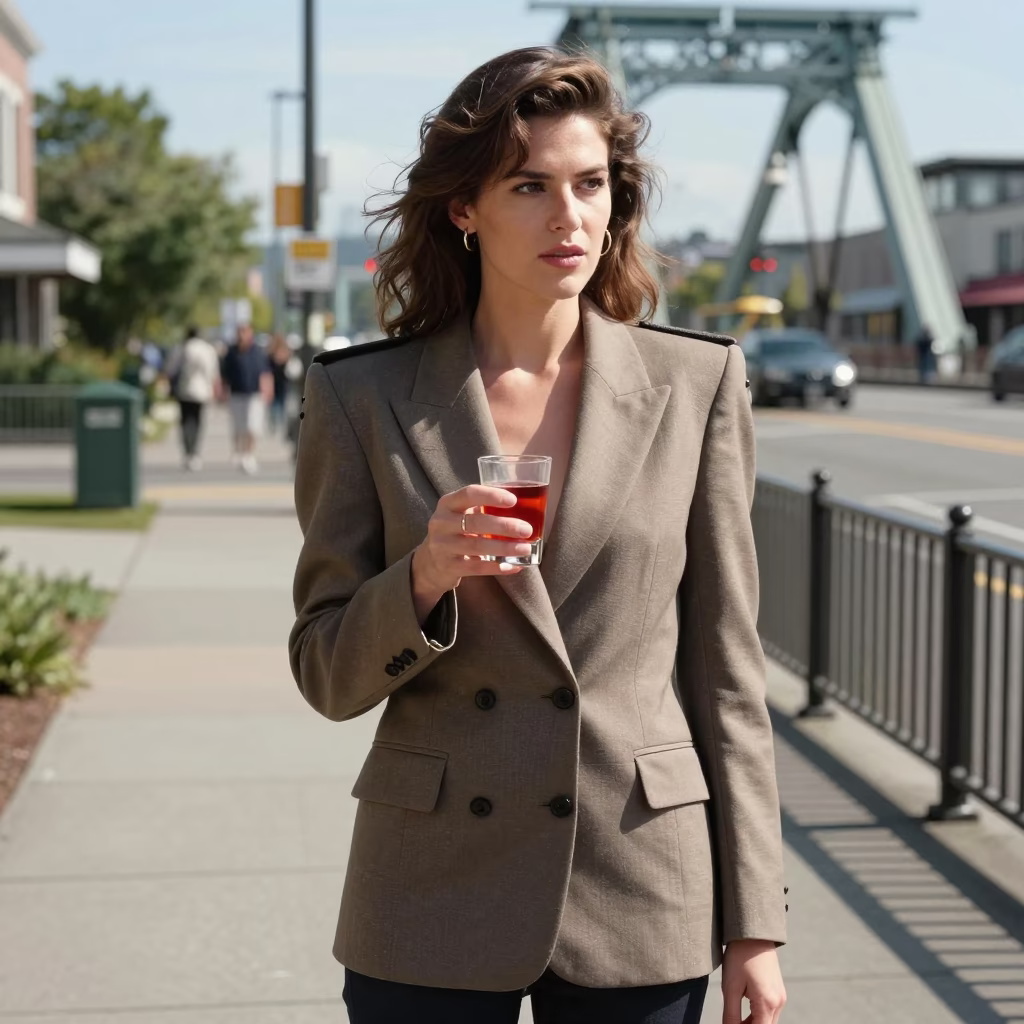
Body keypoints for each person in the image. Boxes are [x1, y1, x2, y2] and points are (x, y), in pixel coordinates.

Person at [289, 47, 788, 1024]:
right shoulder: (362, 397)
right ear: (464, 210)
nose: (570, 216)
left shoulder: (695, 386)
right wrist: (424, 575)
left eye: (590, 183)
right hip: (430, 882)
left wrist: (755, 922)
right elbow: (324, 669)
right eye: (530, 185)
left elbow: (727, 676)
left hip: (636, 875)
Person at [164, 325, 221, 471]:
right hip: (201, 390)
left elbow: (170, 369)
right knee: (197, 421)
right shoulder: (207, 349)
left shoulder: (181, 348)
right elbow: (212, 371)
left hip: (184, 389)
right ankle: (195, 452)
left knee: (185, 421)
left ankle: (187, 451)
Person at [220, 323, 272, 474]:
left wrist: (268, 389)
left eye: (245, 332)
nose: (242, 335)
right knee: (238, 426)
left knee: (252, 426)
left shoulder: (257, 352)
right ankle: (238, 451)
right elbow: (225, 374)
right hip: (236, 393)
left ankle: (249, 454)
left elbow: (265, 372)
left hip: (254, 394)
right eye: (239, 332)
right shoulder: (231, 352)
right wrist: (222, 390)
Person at [266, 332, 291, 436]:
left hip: (278, 383)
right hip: (278, 383)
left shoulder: (273, 353)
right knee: (278, 406)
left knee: (277, 406)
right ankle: (278, 425)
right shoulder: (275, 354)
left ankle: (276, 425)